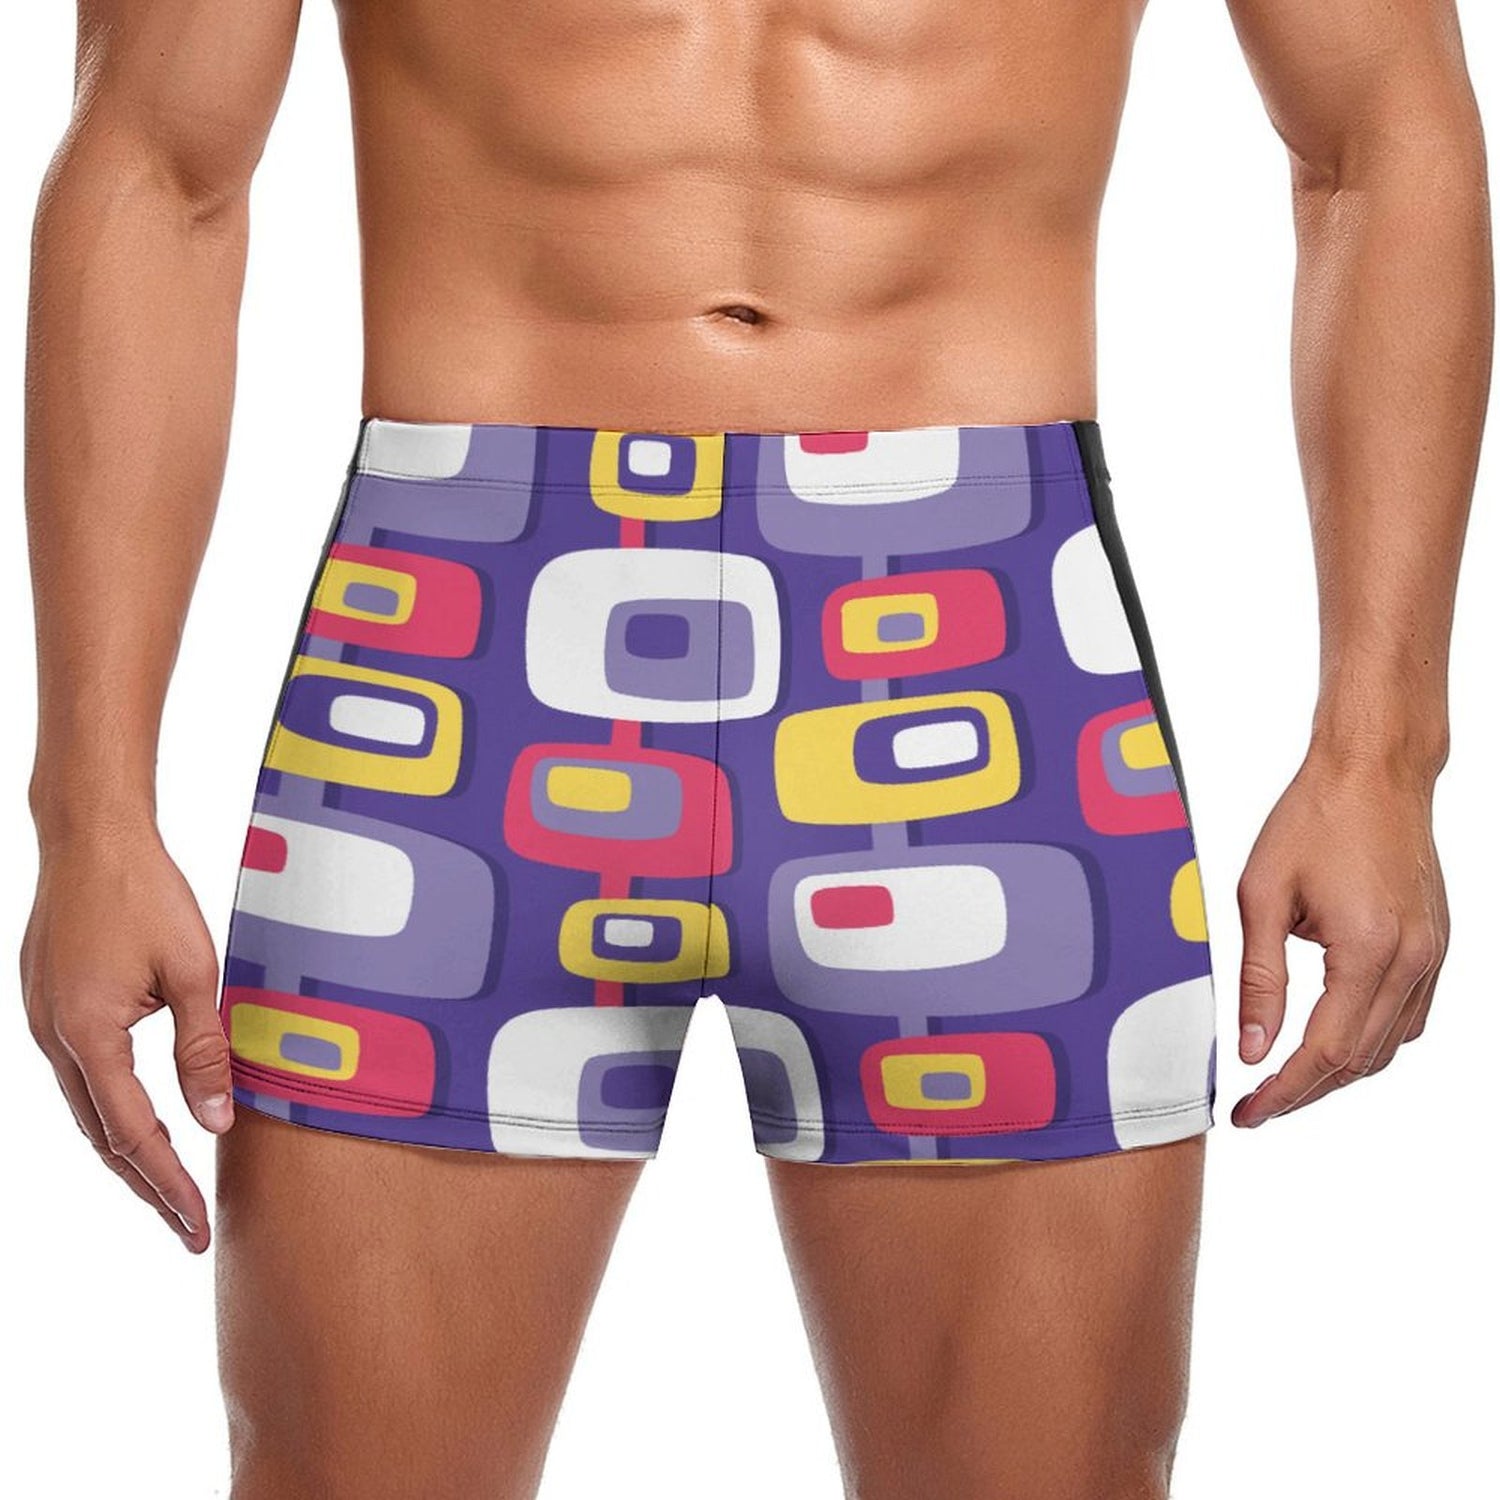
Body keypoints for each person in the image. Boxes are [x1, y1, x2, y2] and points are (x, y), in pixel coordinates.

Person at [19, 1, 1490, 1496]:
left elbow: (1378, 130)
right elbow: (159, 167)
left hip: (981, 652)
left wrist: (1381, 753)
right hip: (458, 658)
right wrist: (88, 812)